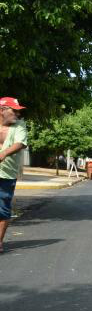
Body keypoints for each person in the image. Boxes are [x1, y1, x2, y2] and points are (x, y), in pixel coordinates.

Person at [0, 97, 28, 253]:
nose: (17, 114)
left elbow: (20, 143)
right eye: (14, 110)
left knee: (2, 209)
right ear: (2, 110)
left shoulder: (19, 126)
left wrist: (4, 153)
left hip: (6, 173)